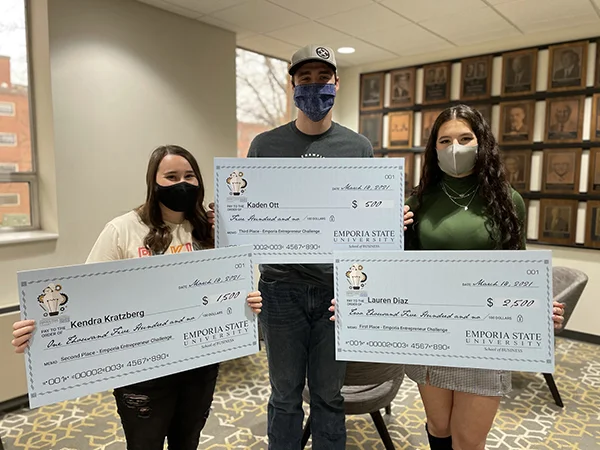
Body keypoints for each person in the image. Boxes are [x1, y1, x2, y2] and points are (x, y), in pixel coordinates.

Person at [329, 104, 565, 450]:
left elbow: (519, 269)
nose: (455, 147)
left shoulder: (507, 201)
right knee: (439, 427)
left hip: (487, 337)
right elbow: (396, 270)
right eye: (445, 140)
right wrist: (356, 300)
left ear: (481, 142)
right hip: (434, 335)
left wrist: (538, 309)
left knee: (469, 439)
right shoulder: (416, 202)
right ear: (434, 148)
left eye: (465, 138)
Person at [11, 145, 263, 450]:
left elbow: (232, 288)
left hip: (199, 365)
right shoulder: (123, 230)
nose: (181, 183)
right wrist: (37, 331)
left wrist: (248, 303)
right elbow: (83, 297)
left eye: (189, 175)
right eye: (170, 176)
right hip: (142, 372)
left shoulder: (211, 231)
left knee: (188, 442)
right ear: (153, 183)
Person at [233, 44, 413, 449]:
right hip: (280, 290)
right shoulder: (265, 146)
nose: (314, 87)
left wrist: (388, 220)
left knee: (329, 396)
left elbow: (366, 214)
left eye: (323, 78)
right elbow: (250, 213)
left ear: (337, 83)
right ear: (292, 84)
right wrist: (227, 217)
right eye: (305, 78)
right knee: (284, 396)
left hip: (338, 292)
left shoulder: (358, 147)